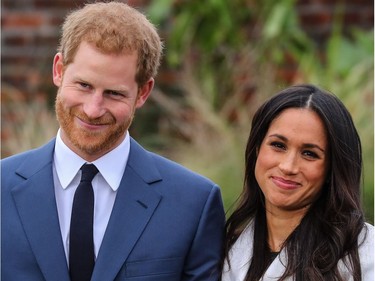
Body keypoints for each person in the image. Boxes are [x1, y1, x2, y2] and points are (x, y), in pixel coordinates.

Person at [1, 2, 225, 281]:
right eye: (83, 85)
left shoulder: (194, 204)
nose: (93, 110)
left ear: (143, 92)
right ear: (58, 70)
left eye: (114, 94)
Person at [221, 84, 374, 281]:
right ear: (257, 149)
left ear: (332, 169)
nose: (288, 166)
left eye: (309, 154)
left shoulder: (367, 255)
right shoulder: (225, 250)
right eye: (278, 145)